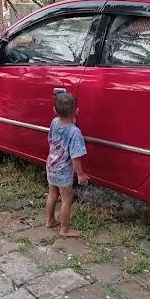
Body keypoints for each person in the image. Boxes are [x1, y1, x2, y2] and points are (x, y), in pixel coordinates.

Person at [45, 92, 88, 237]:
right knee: (66, 200)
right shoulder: (74, 132)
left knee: (52, 195)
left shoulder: (53, 122)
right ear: (76, 111)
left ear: (54, 111)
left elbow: (50, 140)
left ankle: (50, 220)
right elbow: (76, 157)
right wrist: (80, 175)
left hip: (51, 166)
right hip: (63, 172)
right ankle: (64, 229)